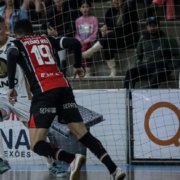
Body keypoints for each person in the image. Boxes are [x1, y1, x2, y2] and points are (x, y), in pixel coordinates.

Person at [7, 19, 126, 180]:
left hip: (44, 92)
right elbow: (75, 43)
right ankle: (114, 170)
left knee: (36, 144)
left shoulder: (17, 44)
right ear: (33, 32)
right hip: (64, 88)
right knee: (83, 134)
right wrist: (78, 65)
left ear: (16, 35)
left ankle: (72, 159)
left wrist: (10, 86)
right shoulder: (47, 39)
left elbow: (11, 54)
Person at [0, 14, 67, 177]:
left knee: (37, 134)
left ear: (5, 29)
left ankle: (52, 165)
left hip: (22, 96)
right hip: (0, 95)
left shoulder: (18, 44)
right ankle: (2, 159)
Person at [82, 0, 138, 76]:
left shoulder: (130, 11)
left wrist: (111, 32)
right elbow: (107, 24)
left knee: (108, 37)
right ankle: (113, 70)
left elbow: (128, 29)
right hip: (113, 39)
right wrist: (104, 28)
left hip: (127, 39)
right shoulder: (110, 11)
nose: (116, 1)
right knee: (107, 42)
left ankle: (90, 52)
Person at [124, 17, 180, 89]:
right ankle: (127, 96)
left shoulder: (168, 39)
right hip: (146, 65)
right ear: (147, 27)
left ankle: (147, 93)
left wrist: (169, 67)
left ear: (159, 26)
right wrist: (138, 62)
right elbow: (138, 54)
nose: (152, 27)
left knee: (158, 74)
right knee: (130, 72)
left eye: (154, 25)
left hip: (161, 67)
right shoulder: (143, 38)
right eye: (150, 25)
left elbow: (177, 56)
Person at [42, 0, 79, 77]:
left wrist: (57, 33)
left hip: (65, 39)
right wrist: (44, 33)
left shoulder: (72, 12)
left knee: (61, 44)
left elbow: (72, 31)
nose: (58, 0)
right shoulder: (49, 11)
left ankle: (62, 70)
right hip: (51, 38)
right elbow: (43, 26)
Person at [75, 0, 98, 77]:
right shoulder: (78, 21)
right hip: (80, 42)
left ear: (90, 8)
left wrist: (85, 41)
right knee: (78, 49)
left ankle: (88, 70)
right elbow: (76, 34)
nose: (85, 9)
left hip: (90, 43)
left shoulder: (93, 19)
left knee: (83, 49)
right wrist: (80, 41)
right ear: (80, 9)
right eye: (83, 7)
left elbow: (95, 34)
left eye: (87, 7)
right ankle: (79, 69)